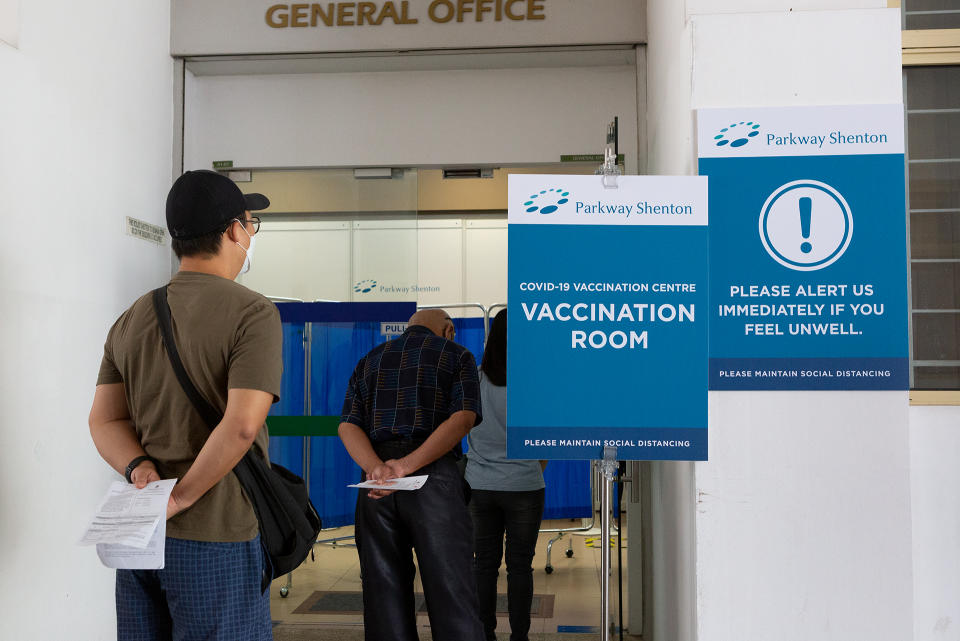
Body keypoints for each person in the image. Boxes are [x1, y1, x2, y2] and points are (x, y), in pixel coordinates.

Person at [88, 170, 281, 641]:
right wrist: (182, 496)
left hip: (142, 534)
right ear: (235, 230)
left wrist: (140, 470)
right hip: (217, 533)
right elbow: (241, 427)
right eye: (251, 224)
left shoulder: (132, 317)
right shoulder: (253, 313)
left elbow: (105, 418)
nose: (250, 235)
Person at [338, 309, 485, 641]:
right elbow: (462, 419)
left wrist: (378, 468)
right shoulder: (458, 355)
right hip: (433, 476)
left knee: (382, 590)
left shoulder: (369, 360)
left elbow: (348, 424)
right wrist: (404, 466)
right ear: (448, 330)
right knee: (451, 592)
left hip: (376, 484)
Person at [465, 308, 546, 641]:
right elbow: (544, 442)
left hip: (480, 485)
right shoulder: (534, 382)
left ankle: (485, 633)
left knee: (483, 564)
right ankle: (520, 636)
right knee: (520, 566)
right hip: (525, 485)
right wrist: (527, 468)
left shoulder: (475, 378)